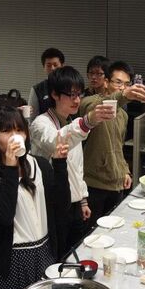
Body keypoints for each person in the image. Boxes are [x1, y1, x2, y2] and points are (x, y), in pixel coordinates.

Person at [0, 106, 71, 289]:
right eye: (7, 131)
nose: (14, 137)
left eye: (19, 130)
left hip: (45, 251)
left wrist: (59, 164)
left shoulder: (39, 164)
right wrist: (10, 168)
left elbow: (62, 207)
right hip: (15, 259)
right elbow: (4, 216)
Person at [30, 66, 115, 257]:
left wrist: (83, 199)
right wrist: (88, 121)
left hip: (75, 203)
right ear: (54, 94)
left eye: (79, 94)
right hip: (52, 203)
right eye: (71, 94)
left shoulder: (70, 122)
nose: (77, 100)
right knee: (57, 255)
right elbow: (56, 142)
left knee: (76, 253)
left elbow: (76, 168)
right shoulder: (40, 124)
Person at [79, 60, 145, 224]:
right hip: (94, 185)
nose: (122, 87)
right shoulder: (90, 103)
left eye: (126, 84)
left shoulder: (123, 115)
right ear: (106, 82)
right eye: (118, 82)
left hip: (116, 185)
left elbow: (118, 147)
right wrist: (124, 96)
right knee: (92, 235)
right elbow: (101, 108)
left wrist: (125, 170)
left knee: (114, 231)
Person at [27, 47, 65, 121]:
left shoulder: (69, 85)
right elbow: (32, 118)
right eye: (48, 65)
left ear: (62, 66)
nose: (52, 68)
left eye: (55, 65)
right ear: (44, 67)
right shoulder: (37, 89)